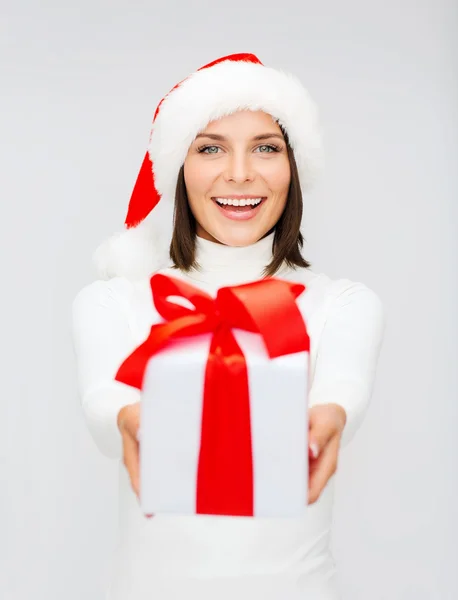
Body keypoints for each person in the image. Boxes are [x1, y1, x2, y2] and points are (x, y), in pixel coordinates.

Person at [71, 53, 385, 600]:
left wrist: (330, 416)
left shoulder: (341, 303)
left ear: (294, 167)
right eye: (210, 147)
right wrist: (127, 417)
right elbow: (104, 403)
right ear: (177, 170)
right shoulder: (114, 301)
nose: (239, 172)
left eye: (265, 147)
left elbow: (342, 391)